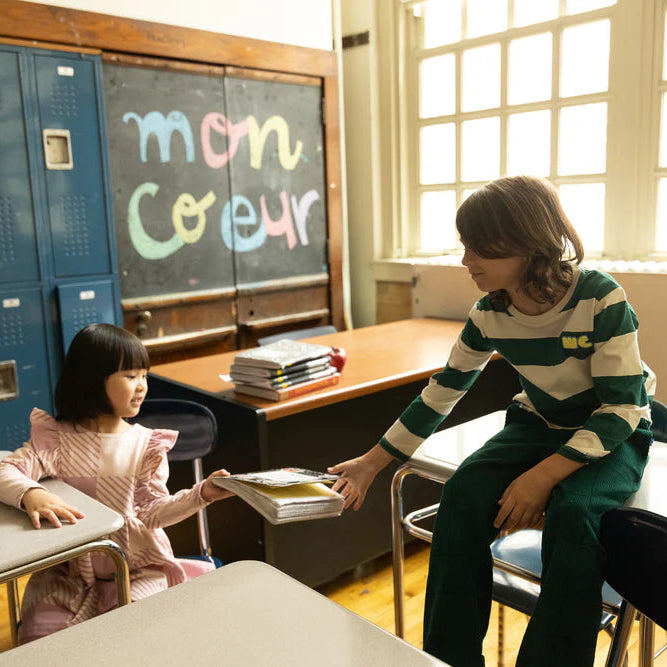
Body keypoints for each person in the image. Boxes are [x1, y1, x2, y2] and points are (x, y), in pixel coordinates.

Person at [328, 175, 656, 667]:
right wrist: (371, 464)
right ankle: (447, 658)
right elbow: (443, 392)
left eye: (479, 248)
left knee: (574, 512)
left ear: (529, 242)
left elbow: (623, 409)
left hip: (613, 430)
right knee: (460, 496)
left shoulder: (600, 298)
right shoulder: (488, 314)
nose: (466, 262)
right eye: (465, 246)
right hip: (538, 421)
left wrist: (541, 477)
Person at [0, 323, 233, 644]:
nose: (142, 386)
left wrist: (201, 494)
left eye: (144, 376)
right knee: (40, 636)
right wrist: (32, 493)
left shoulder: (145, 446)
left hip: (135, 568)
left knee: (142, 635)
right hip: (68, 575)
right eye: (130, 376)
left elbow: (152, 514)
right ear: (92, 380)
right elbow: (5, 470)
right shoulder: (57, 440)